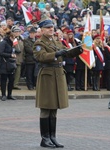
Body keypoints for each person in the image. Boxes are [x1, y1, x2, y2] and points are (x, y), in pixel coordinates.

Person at [33, 19, 83, 148]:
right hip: (47, 76)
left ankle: (52, 137)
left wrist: (79, 49)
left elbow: (66, 52)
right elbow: (41, 57)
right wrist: (56, 54)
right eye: (48, 27)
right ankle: (45, 138)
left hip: (58, 75)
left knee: (54, 108)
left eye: (52, 27)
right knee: (46, 108)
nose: (51, 29)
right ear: (42, 30)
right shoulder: (39, 43)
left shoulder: (56, 41)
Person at [0, 31, 17, 101]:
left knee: (11, 79)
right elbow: (1, 53)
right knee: (4, 80)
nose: (14, 39)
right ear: (10, 37)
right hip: (4, 63)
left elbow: (13, 50)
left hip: (11, 64)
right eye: (13, 38)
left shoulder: (11, 43)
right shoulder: (3, 42)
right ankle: (3, 95)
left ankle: (9, 94)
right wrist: (10, 55)